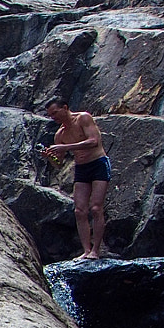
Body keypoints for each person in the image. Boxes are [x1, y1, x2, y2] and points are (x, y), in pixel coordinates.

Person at [42, 96, 111, 259]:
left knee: (96, 207)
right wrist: (50, 157)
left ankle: (96, 250)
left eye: (55, 113)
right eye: (51, 115)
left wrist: (67, 146)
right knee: (80, 210)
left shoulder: (83, 118)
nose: (54, 117)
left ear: (65, 107)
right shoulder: (60, 134)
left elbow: (93, 141)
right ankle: (86, 250)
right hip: (81, 167)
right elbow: (59, 164)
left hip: (98, 163)